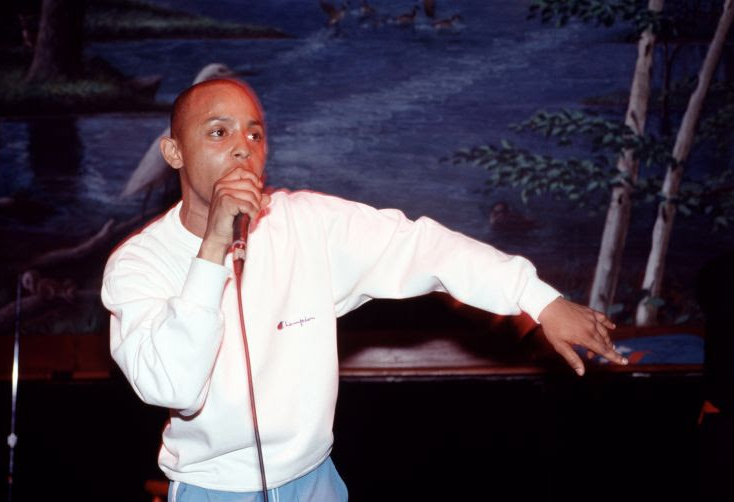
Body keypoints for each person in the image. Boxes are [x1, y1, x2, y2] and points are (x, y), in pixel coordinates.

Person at [101, 78, 627, 502]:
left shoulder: (306, 222)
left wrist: (540, 299)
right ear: (173, 151)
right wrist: (213, 250)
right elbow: (172, 388)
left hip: (315, 481)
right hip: (212, 491)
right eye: (219, 133)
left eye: (255, 134)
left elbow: (424, 246)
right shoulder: (138, 263)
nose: (243, 148)